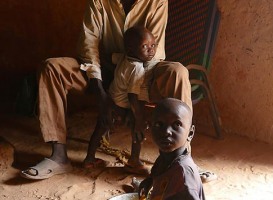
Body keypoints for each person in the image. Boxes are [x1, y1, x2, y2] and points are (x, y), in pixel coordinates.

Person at [20, 0, 192, 180]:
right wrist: (100, 91)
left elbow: (152, 53)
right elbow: (89, 43)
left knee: (178, 71)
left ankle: (182, 158)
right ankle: (59, 156)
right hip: (107, 71)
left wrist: (133, 103)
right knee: (51, 68)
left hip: (146, 72)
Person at [85, 26, 159, 173]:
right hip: (121, 107)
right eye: (145, 46)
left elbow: (108, 57)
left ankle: (89, 159)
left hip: (110, 101)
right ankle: (134, 161)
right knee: (137, 129)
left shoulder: (124, 57)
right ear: (131, 50)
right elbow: (132, 97)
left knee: (99, 129)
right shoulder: (137, 68)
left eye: (153, 45)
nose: (151, 50)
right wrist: (138, 118)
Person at [138, 98, 205, 200]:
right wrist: (149, 181)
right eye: (159, 124)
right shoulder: (165, 157)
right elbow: (156, 173)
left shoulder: (184, 178)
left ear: (190, 133)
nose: (166, 132)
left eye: (177, 124)